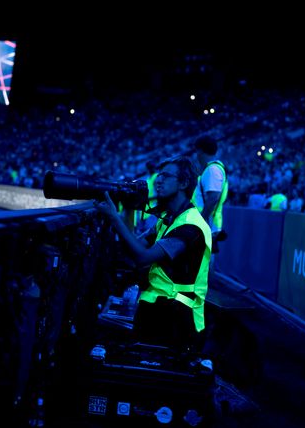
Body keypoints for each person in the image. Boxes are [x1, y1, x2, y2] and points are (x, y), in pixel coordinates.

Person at [94, 155, 212, 352]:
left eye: (166, 176)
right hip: (161, 308)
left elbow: (142, 257)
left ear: (183, 183)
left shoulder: (191, 225)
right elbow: (133, 246)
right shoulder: (168, 219)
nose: (158, 180)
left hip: (179, 318)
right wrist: (128, 210)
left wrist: (114, 218)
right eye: (159, 175)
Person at [192, 134, 229, 259]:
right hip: (208, 224)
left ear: (200, 150)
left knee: (204, 264)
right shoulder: (213, 169)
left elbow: (213, 197)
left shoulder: (212, 170)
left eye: (196, 150)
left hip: (207, 225)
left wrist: (201, 219)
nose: (196, 154)